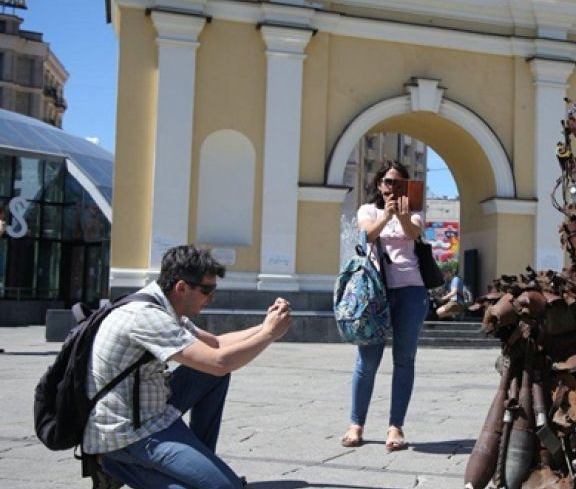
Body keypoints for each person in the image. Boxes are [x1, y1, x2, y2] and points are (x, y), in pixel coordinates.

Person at [83, 245, 293, 489]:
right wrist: (269, 334)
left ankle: (199, 463)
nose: (211, 298)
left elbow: (216, 344)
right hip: (129, 432)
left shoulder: (163, 305)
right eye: (207, 290)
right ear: (181, 288)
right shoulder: (147, 317)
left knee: (211, 376)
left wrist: (267, 325)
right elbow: (218, 362)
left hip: (152, 408)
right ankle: (112, 464)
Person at [342, 161, 429, 452]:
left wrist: (402, 216)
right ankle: (356, 424)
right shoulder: (368, 210)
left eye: (399, 183)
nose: (392, 187)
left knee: (404, 360)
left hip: (411, 291)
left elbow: (413, 234)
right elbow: (366, 235)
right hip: (374, 292)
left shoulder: (415, 212)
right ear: (379, 185)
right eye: (388, 182)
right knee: (367, 361)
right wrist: (387, 215)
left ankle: (395, 427)